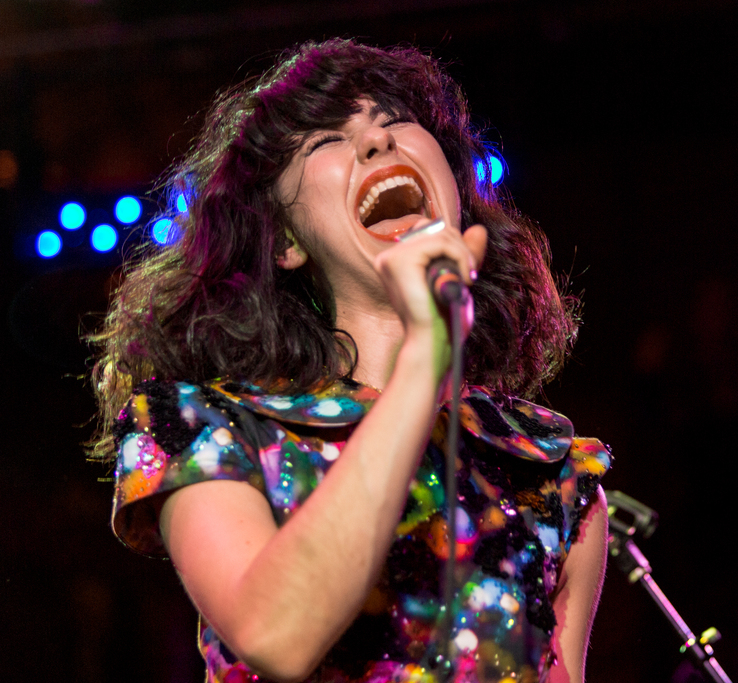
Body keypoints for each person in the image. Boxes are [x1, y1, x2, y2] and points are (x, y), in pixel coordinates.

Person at [89, 38, 610, 683]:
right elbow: (276, 636)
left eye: (393, 122)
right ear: (284, 242)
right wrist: (424, 355)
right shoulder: (202, 424)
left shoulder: (549, 467)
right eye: (324, 141)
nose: (377, 143)